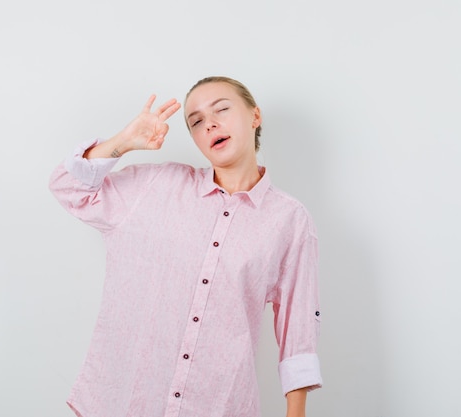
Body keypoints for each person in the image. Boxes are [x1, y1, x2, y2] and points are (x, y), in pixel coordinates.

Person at [49, 76, 322, 417]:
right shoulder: (156, 186)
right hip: (126, 401)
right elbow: (68, 187)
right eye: (196, 122)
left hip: (219, 404)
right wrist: (123, 142)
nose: (210, 124)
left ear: (255, 116)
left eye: (221, 109)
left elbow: (297, 332)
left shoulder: (290, 220)